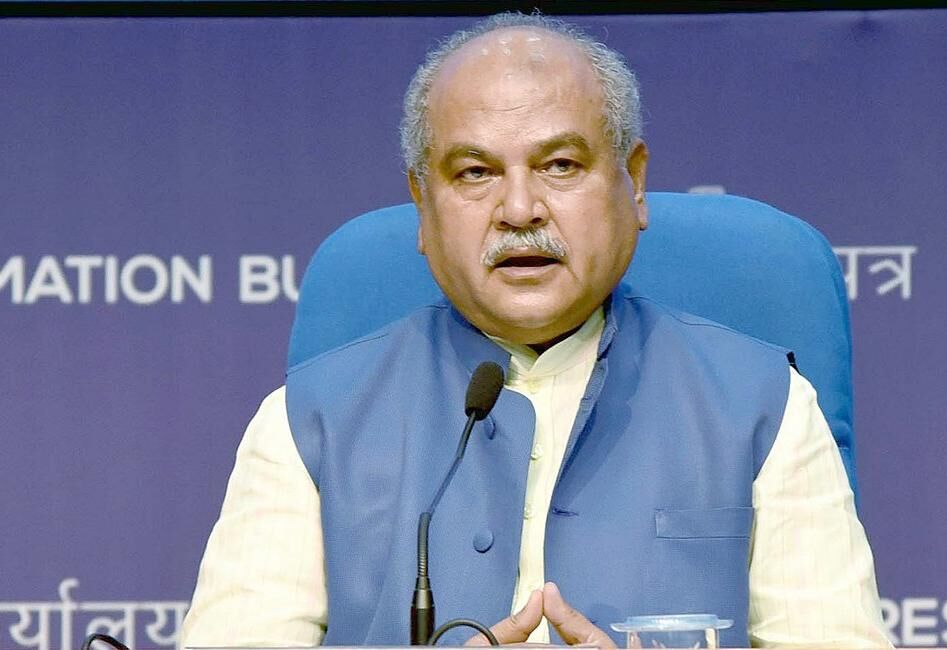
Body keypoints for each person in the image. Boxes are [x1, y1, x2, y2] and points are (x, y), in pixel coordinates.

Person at [181, 12, 892, 649]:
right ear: (423, 205)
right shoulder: (308, 422)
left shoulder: (767, 404)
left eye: (560, 165)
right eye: (474, 172)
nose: (520, 209)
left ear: (634, 183)